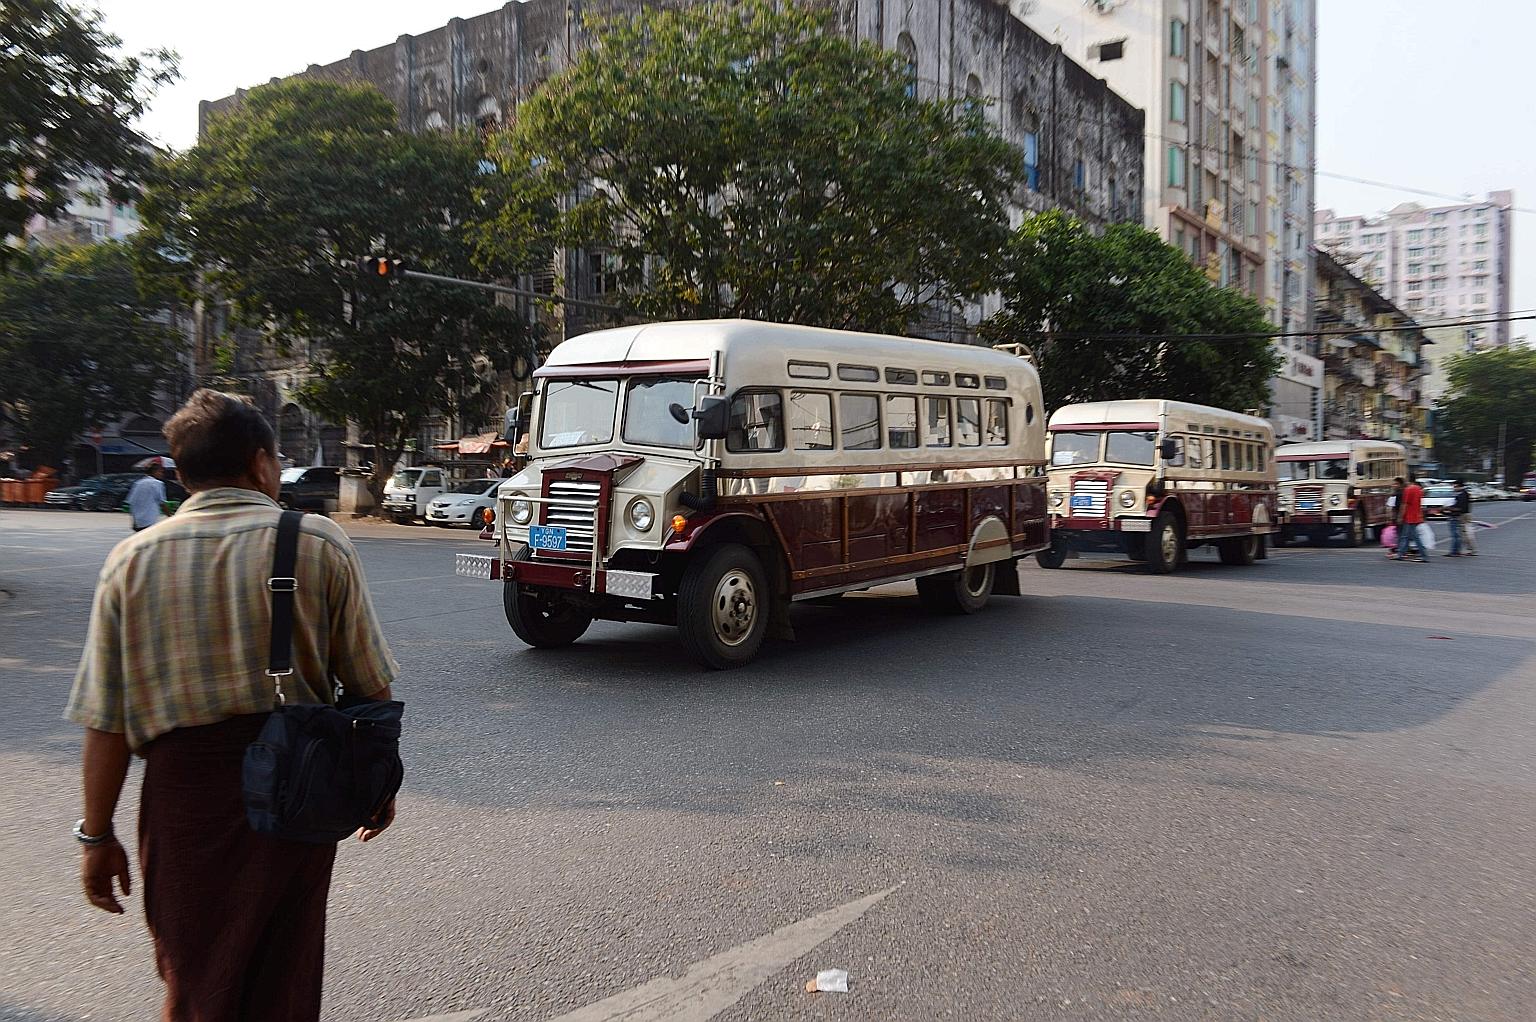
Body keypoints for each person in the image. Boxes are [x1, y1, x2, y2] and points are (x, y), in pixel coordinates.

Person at [65, 389, 401, 1021]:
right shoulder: (318, 544)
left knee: (197, 979)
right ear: (261, 464)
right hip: (296, 796)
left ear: (183, 471)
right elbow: (369, 692)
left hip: (183, 805)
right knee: (286, 972)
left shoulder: (130, 562)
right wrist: (376, 788)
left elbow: (105, 721)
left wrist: (96, 835)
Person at [1391, 474, 1430, 563]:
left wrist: (1400, 516)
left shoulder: (1408, 489)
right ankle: (1401, 554)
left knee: (1410, 537)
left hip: (1409, 516)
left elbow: (1404, 504)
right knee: (1408, 536)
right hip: (1416, 515)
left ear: (1408, 480)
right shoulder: (1418, 489)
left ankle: (1422, 555)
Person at [125, 462, 167, 532]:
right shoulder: (158, 483)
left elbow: (131, 501)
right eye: (160, 472)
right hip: (150, 520)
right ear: (154, 472)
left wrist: (134, 520)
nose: (162, 474)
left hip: (138, 522)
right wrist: (170, 516)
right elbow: (162, 503)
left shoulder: (138, 483)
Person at [1446, 478, 1478, 557]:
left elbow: (1460, 507)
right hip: (1464, 515)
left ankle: (1471, 550)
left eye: (1455, 486)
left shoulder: (1463, 494)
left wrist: (1449, 508)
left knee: (1466, 533)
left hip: (1464, 515)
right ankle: (1469, 549)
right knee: (1463, 534)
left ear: (1459, 486)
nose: (1454, 488)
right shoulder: (1463, 494)